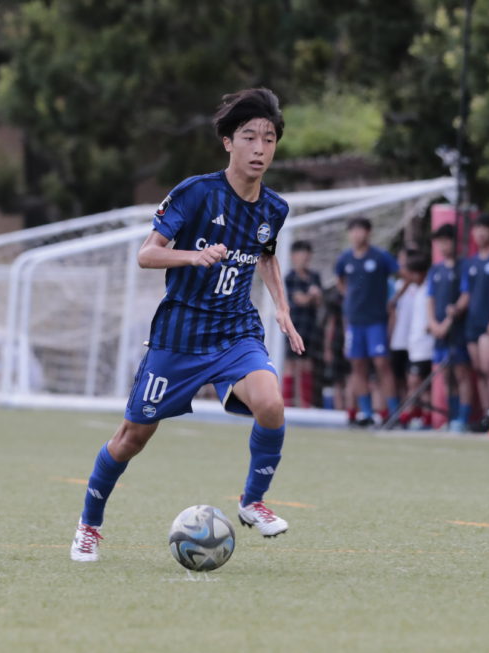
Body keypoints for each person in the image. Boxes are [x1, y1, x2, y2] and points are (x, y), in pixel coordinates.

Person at [70, 88, 303, 562]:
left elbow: (266, 255)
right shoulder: (196, 193)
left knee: (271, 404)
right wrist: (193, 257)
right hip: (179, 337)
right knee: (131, 438)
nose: (260, 148)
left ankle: (252, 501)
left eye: (269, 138)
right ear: (228, 142)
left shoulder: (274, 208)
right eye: (249, 137)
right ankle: (88, 526)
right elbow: (146, 254)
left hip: (236, 331)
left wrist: (281, 306)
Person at [335, 217, 402, 426]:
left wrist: (393, 299)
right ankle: (366, 413)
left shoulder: (380, 257)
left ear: (368, 232)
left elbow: (405, 275)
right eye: (353, 231)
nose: (357, 235)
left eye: (361, 230)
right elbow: (339, 280)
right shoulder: (345, 259)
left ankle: (393, 412)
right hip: (354, 322)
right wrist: (349, 298)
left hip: (376, 320)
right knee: (357, 365)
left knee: (381, 363)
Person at [453, 213, 489, 426]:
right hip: (472, 323)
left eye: (484, 229)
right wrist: (455, 309)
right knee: (478, 370)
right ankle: (488, 415)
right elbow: (466, 294)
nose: (479, 233)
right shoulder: (470, 262)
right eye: (476, 229)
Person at [427, 223, 473, 432]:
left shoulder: (464, 267)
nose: (443, 246)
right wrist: (433, 324)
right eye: (439, 242)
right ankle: (451, 416)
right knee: (445, 376)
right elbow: (430, 298)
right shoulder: (435, 269)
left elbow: (465, 296)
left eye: (446, 241)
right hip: (439, 333)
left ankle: (463, 418)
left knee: (461, 373)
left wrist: (448, 322)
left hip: (457, 330)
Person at [391, 252, 435, 429]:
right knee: (415, 382)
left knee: (416, 382)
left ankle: (418, 416)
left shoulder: (428, 290)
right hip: (414, 345)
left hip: (425, 345)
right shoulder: (414, 289)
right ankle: (417, 415)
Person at [283, 240, 323, 407]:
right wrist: (312, 295)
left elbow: (319, 302)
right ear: (293, 256)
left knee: (307, 364)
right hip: (294, 326)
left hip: (310, 327)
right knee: (291, 364)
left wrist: (314, 297)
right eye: (301, 253)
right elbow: (300, 300)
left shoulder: (315, 276)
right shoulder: (290, 277)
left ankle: (305, 404)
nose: (304, 257)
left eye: (307, 253)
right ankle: (287, 403)